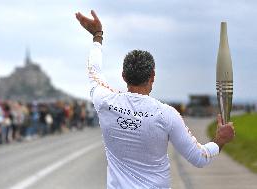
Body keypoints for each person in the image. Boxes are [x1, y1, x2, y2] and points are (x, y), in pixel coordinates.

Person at [76, 10, 235, 189]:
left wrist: (97, 36)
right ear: (153, 75)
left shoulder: (104, 101)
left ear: (123, 76)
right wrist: (220, 139)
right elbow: (199, 158)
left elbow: (94, 71)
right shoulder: (166, 114)